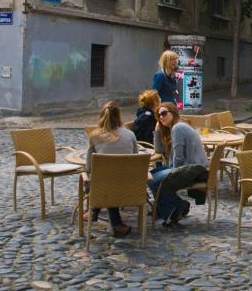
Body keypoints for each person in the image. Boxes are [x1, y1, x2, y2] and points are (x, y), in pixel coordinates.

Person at [149, 102, 209, 226]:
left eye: (164, 113)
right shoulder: (176, 127)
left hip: (194, 169)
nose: (161, 117)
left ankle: (173, 208)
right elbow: (159, 151)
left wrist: (170, 174)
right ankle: (175, 207)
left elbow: (179, 158)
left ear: (173, 113)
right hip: (193, 168)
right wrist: (157, 131)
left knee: (154, 180)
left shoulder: (178, 128)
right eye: (159, 115)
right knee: (152, 176)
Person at [85, 101, 138, 237]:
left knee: (103, 177)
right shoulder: (130, 135)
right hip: (129, 187)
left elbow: (89, 167)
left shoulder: (94, 136)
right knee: (113, 176)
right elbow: (136, 159)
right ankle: (113, 223)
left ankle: (97, 212)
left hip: (102, 188)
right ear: (119, 116)